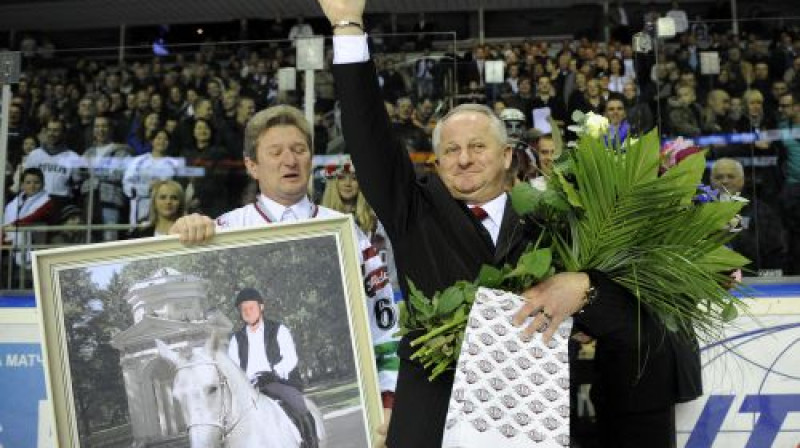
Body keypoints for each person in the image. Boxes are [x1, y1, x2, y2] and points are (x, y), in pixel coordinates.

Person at [319, 1, 701, 447]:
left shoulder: (554, 217)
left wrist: (584, 287)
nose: (463, 159)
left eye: (478, 146)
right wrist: (347, 28)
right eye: (451, 151)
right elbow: (369, 137)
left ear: (506, 156)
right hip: (434, 422)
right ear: (437, 163)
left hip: (534, 418)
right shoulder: (414, 211)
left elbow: (631, 318)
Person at [169, 104, 399, 428]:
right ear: (252, 165)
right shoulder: (223, 231)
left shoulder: (347, 232)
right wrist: (183, 232)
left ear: (310, 159)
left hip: (285, 383)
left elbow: (385, 326)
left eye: (299, 150)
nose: (289, 161)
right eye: (275, 152)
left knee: (302, 417)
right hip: (240, 392)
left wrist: (388, 400)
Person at [227, 287, 317, 447]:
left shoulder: (279, 330)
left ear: (261, 307)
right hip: (249, 387)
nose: (248, 312)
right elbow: (234, 367)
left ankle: (311, 442)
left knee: (299, 405)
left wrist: (273, 373)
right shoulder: (236, 340)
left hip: (278, 381)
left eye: (251, 307)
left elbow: (291, 358)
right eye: (244, 309)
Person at [82, 115, 132, 242]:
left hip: (111, 202)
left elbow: (119, 174)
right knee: (90, 239)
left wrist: (92, 174)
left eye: (104, 126)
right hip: (90, 200)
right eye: (97, 126)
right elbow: (78, 175)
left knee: (109, 240)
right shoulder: (88, 153)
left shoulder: (122, 151)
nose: (100, 129)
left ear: (110, 129)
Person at [3, 168, 55, 284]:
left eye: (36, 182)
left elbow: (34, 217)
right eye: (28, 182)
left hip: (35, 246)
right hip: (11, 245)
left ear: (43, 184)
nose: (32, 186)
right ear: (22, 185)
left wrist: (14, 225)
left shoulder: (46, 201)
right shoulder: (14, 203)